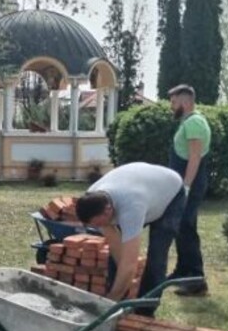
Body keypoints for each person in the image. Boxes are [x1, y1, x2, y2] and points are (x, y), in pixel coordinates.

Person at [74, 162, 186, 316]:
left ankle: (144, 312)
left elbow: (129, 264)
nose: (98, 227)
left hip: (170, 194)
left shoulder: (131, 208)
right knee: (118, 262)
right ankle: (120, 302)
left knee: (156, 256)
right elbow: (116, 247)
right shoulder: (93, 198)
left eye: (98, 224)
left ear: (108, 211)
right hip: (144, 188)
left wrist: (111, 301)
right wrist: (125, 285)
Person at [166, 84, 211, 296]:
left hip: (189, 184)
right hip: (183, 183)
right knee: (181, 227)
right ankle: (182, 271)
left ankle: (196, 279)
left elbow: (194, 157)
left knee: (187, 227)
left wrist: (186, 186)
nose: (171, 107)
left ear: (184, 102)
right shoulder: (189, 122)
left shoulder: (194, 123)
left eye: (173, 102)